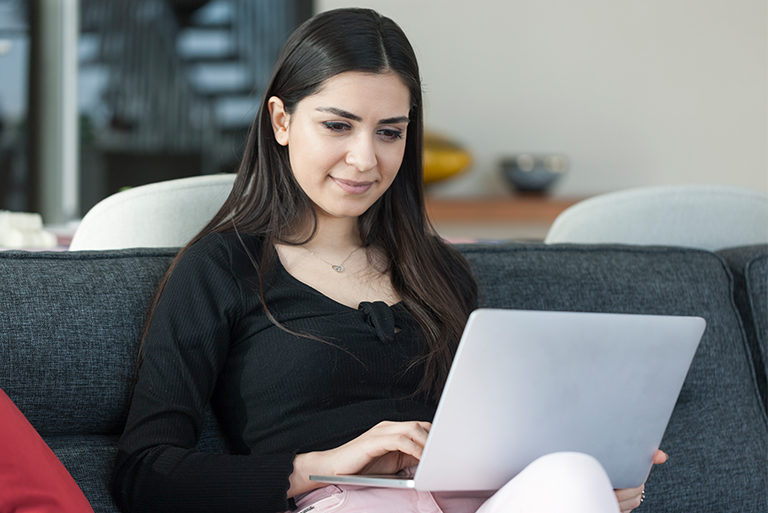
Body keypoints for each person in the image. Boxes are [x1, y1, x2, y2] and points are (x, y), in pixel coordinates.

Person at [112, 8, 666, 513]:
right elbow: (145, 472)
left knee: (572, 473)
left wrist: (595, 477)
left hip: (459, 503)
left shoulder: (439, 272)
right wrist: (317, 467)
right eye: (337, 125)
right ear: (281, 121)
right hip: (341, 504)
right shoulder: (219, 270)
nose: (363, 159)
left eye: (389, 133)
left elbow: (480, 445)